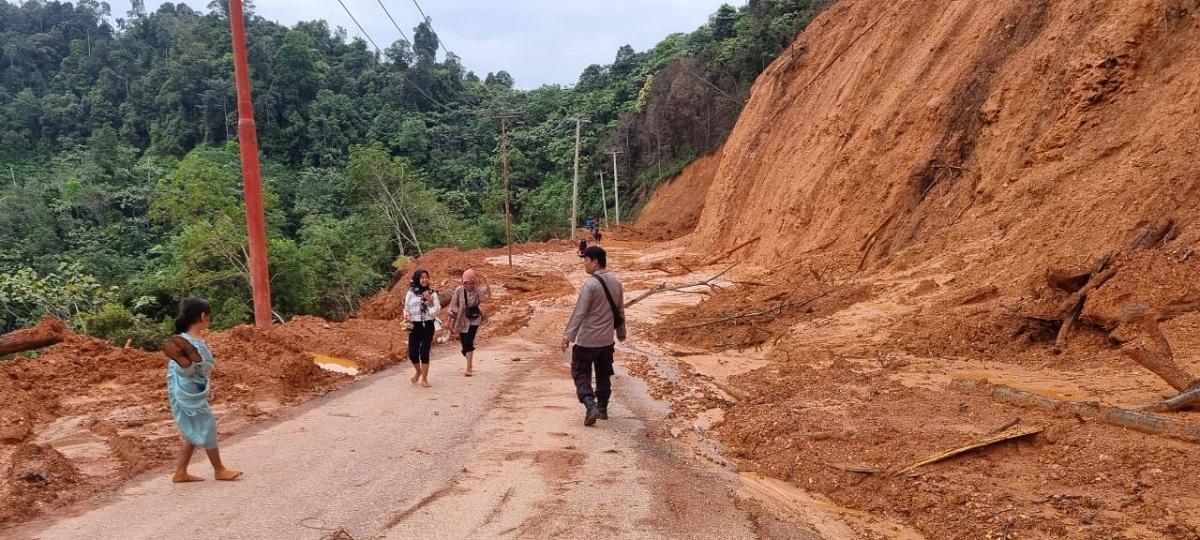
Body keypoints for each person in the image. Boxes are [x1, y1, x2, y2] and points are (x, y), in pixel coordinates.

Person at [161, 297, 242, 483]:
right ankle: (219, 470)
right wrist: (202, 363)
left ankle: (180, 471)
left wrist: (204, 361)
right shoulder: (190, 342)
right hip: (189, 391)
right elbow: (193, 370)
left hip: (183, 387)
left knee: (194, 429)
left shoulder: (186, 340)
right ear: (203, 316)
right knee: (207, 425)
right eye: (209, 315)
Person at [560, 246, 627, 426]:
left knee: (580, 373)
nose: (584, 264)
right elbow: (620, 311)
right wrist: (621, 333)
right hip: (606, 341)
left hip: (587, 340)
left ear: (595, 262)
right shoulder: (616, 282)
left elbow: (579, 312)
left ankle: (590, 405)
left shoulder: (590, 284)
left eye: (586, 260)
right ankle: (603, 407)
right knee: (603, 373)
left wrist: (567, 336)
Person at [447, 268, 491, 377]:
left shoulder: (477, 289)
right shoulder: (458, 290)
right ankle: (467, 355)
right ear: (463, 282)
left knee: (468, 341)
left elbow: (485, 298)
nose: (470, 286)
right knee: (464, 345)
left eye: (472, 284)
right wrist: (449, 320)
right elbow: (453, 305)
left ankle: (469, 367)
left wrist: (486, 288)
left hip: (474, 318)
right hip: (462, 319)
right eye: (467, 284)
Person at [404, 268, 441, 387]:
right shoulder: (410, 293)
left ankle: (424, 379)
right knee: (412, 352)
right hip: (414, 325)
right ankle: (418, 371)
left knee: (424, 352)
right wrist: (406, 314)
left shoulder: (432, 292)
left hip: (428, 324)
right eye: (422, 277)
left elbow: (436, 311)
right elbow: (407, 308)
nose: (425, 280)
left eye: (426, 277)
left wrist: (429, 300)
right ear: (417, 279)